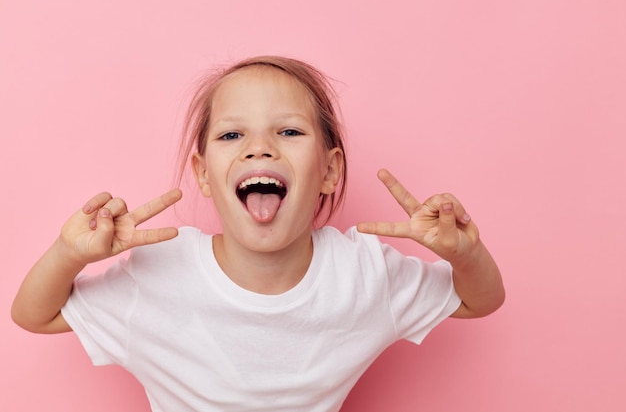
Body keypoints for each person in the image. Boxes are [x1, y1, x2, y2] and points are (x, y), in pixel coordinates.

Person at [11, 56, 505, 412]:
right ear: (204, 174)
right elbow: (34, 315)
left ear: (330, 172)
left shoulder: (364, 272)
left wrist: (466, 253)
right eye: (232, 135)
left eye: (288, 132)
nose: (259, 148)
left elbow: (479, 299)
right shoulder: (159, 272)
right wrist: (68, 253)